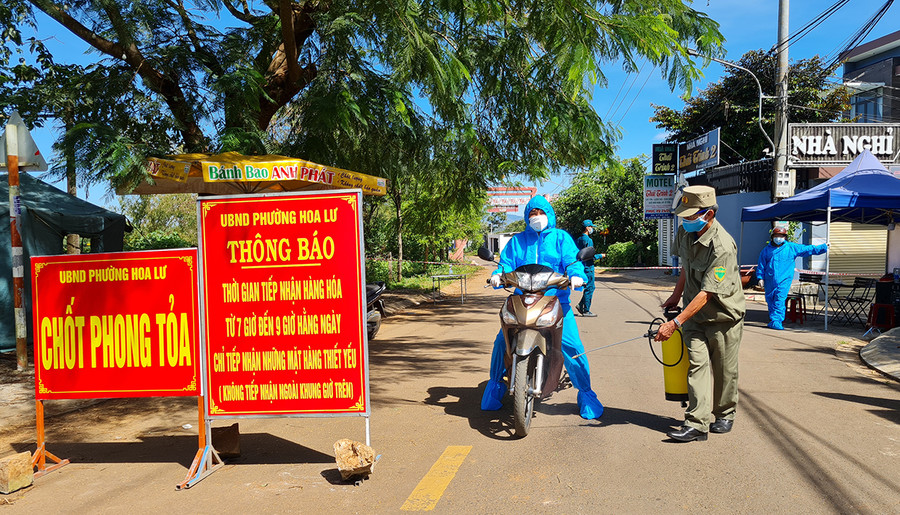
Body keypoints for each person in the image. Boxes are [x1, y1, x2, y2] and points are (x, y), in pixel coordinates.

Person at [482, 196, 604, 419]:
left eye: (540, 212)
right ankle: (495, 388)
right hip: (522, 299)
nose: (536, 217)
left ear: (549, 214)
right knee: (502, 341)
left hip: (556, 301)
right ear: (527, 217)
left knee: (572, 346)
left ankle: (586, 394)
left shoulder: (561, 238)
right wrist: (497, 275)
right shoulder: (518, 241)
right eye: (532, 214)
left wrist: (576, 276)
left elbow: (572, 261)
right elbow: (505, 263)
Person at [655, 186, 746, 442]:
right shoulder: (685, 232)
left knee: (725, 371)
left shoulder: (723, 247)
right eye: (683, 215)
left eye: (691, 215)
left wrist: (675, 322)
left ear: (708, 214)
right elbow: (686, 265)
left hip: (723, 318)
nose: (685, 220)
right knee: (697, 367)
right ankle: (697, 423)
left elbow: (708, 293)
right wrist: (676, 295)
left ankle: (725, 413)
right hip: (694, 316)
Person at [756, 225, 828, 330]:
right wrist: (760, 278)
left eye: (781, 235)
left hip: (784, 280)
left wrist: (823, 247)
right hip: (769, 280)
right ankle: (773, 320)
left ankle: (777, 321)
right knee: (770, 300)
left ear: (785, 237)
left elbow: (807, 249)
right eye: (776, 235)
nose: (778, 238)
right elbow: (761, 265)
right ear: (772, 237)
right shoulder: (766, 251)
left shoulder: (791, 247)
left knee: (779, 299)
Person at [575, 220, 605, 317]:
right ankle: (586, 310)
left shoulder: (579, 239)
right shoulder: (588, 240)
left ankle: (581, 305)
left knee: (588, 287)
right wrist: (601, 255)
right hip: (588, 266)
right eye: (591, 227)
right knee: (590, 287)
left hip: (581, 265)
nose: (592, 229)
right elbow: (590, 255)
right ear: (587, 228)